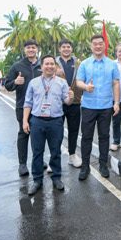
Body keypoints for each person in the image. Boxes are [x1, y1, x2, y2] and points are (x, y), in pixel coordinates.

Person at [22, 56, 73, 194]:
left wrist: (71, 97)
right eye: (47, 64)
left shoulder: (62, 83)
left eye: (52, 64)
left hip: (56, 121)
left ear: (55, 66)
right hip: (37, 121)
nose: (49, 66)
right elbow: (28, 103)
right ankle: (37, 180)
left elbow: (67, 101)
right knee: (37, 152)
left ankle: (56, 178)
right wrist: (25, 121)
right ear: (41, 66)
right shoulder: (33, 83)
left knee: (55, 151)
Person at [74, 34, 119, 181]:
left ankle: (103, 165)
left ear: (104, 45)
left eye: (100, 43)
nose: (98, 46)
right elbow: (78, 82)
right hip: (88, 106)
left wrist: (116, 102)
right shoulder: (85, 64)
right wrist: (86, 87)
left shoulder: (112, 64)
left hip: (106, 106)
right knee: (86, 137)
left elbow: (115, 84)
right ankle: (85, 166)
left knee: (104, 136)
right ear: (91, 46)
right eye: (95, 44)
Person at [2, 40, 42, 177]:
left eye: (33, 47)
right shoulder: (17, 66)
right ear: (24, 50)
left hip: (40, 107)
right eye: (28, 47)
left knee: (39, 135)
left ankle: (39, 160)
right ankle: (23, 164)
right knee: (24, 134)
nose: (31, 50)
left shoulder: (42, 65)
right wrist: (15, 82)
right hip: (22, 106)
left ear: (37, 49)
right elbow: (7, 85)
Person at [54, 40, 82, 168]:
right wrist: (55, 73)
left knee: (74, 130)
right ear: (60, 49)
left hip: (75, 102)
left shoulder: (78, 63)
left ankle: (72, 155)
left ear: (71, 49)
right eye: (63, 47)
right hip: (57, 103)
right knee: (56, 131)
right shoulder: (53, 63)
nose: (66, 49)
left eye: (68, 47)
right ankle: (55, 159)